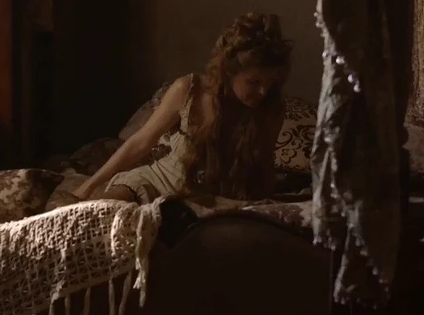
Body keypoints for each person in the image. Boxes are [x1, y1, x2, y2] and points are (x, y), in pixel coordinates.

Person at [74, 13, 293, 203]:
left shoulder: (271, 110)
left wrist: (267, 208)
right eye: (254, 82)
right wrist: (87, 187)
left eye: (270, 82)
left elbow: (264, 167)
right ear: (230, 71)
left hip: (209, 202)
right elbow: (140, 142)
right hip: (155, 183)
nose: (263, 91)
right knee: (102, 211)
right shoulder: (190, 90)